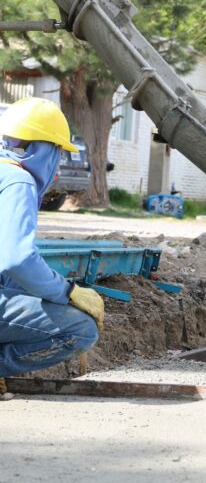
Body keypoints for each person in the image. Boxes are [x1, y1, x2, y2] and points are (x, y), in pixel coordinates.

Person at [0, 98, 104, 399]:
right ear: (44, 149)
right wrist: (67, 292)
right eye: (58, 152)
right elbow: (16, 259)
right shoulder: (18, 181)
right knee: (81, 329)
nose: (57, 161)